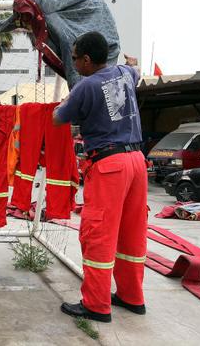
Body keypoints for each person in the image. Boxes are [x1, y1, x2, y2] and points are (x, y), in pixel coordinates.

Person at [53, 31, 148, 323]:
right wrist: (134, 63)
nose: (73, 64)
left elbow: (59, 117)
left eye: (73, 59)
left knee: (99, 235)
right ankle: (132, 297)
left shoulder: (86, 86)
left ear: (86, 60)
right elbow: (136, 70)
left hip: (109, 166)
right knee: (131, 233)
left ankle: (96, 304)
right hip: (137, 162)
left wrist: (63, 103)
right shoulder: (125, 73)